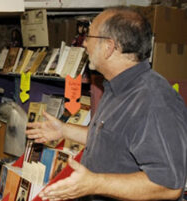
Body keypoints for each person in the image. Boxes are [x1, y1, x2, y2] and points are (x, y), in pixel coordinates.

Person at [26, 6, 187, 201]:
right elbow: (112, 139)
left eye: (90, 37)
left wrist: (95, 183)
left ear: (109, 47)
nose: (84, 43)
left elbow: (169, 186)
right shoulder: (115, 86)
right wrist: (63, 130)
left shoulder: (154, 100)